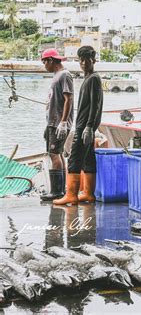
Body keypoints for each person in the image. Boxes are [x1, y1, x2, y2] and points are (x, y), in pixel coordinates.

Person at [53, 46, 103, 205]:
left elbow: (95, 105)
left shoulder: (94, 78)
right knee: (88, 159)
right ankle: (88, 193)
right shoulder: (89, 78)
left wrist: (89, 126)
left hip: (84, 127)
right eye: (80, 60)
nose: (83, 63)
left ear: (93, 60)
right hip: (85, 126)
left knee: (74, 159)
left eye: (86, 59)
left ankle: (71, 195)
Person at [40, 48, 74, 201]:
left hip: (58, 122)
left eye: (44, 61)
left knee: (54, 154)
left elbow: (69, 99)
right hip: (52, 122)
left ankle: (56, 192)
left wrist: (63, 122)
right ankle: (61, 189)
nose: (44, 65)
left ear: (51, 60)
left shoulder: (65, 75)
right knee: (58, 154)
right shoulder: (57, 76)